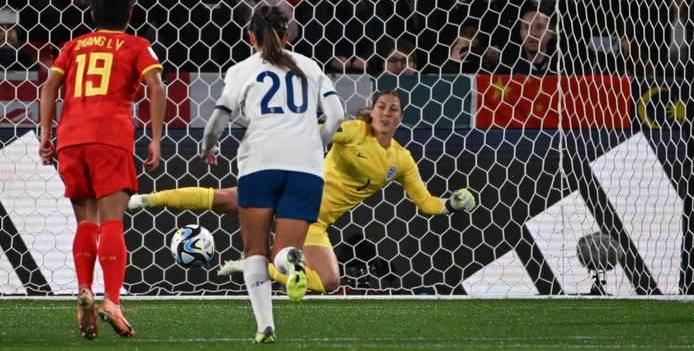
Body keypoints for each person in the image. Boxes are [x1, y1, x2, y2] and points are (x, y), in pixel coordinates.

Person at [129, 90, 477, 295]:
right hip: (294, 191)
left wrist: (450, 205)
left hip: (314, 222)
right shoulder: (354, 131)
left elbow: (426, 202)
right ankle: (146, 200)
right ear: (372, 113)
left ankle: (263, 266)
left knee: (329, 281)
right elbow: (318, 128)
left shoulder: (401, 160)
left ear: (401, 117)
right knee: (224, 199)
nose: (386, 113)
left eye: (393, 109)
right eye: (381, 107)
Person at [197, 5, 345, 342]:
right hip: (306, 169)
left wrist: (209, 148)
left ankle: (265, 326)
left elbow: (218, 119)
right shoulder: (310, 66)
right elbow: (336, 116)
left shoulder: (241, 69)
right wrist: (313, 143)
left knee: (255, 252)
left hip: (259, 164)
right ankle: (290, 260)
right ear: (287, 35)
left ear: (250, 36)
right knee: (283, 251)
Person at [38, 0, 165, 339]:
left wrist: (46, 135)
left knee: (85, 221)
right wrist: (155, 139)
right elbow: (157, 86)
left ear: (93, 11)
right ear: (130, 10)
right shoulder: (137, 44)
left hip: (72, 139)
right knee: (112, 222)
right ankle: (111, 299)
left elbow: (49, 86)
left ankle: (83, 289)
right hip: (111, 138)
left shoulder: (74, 46)